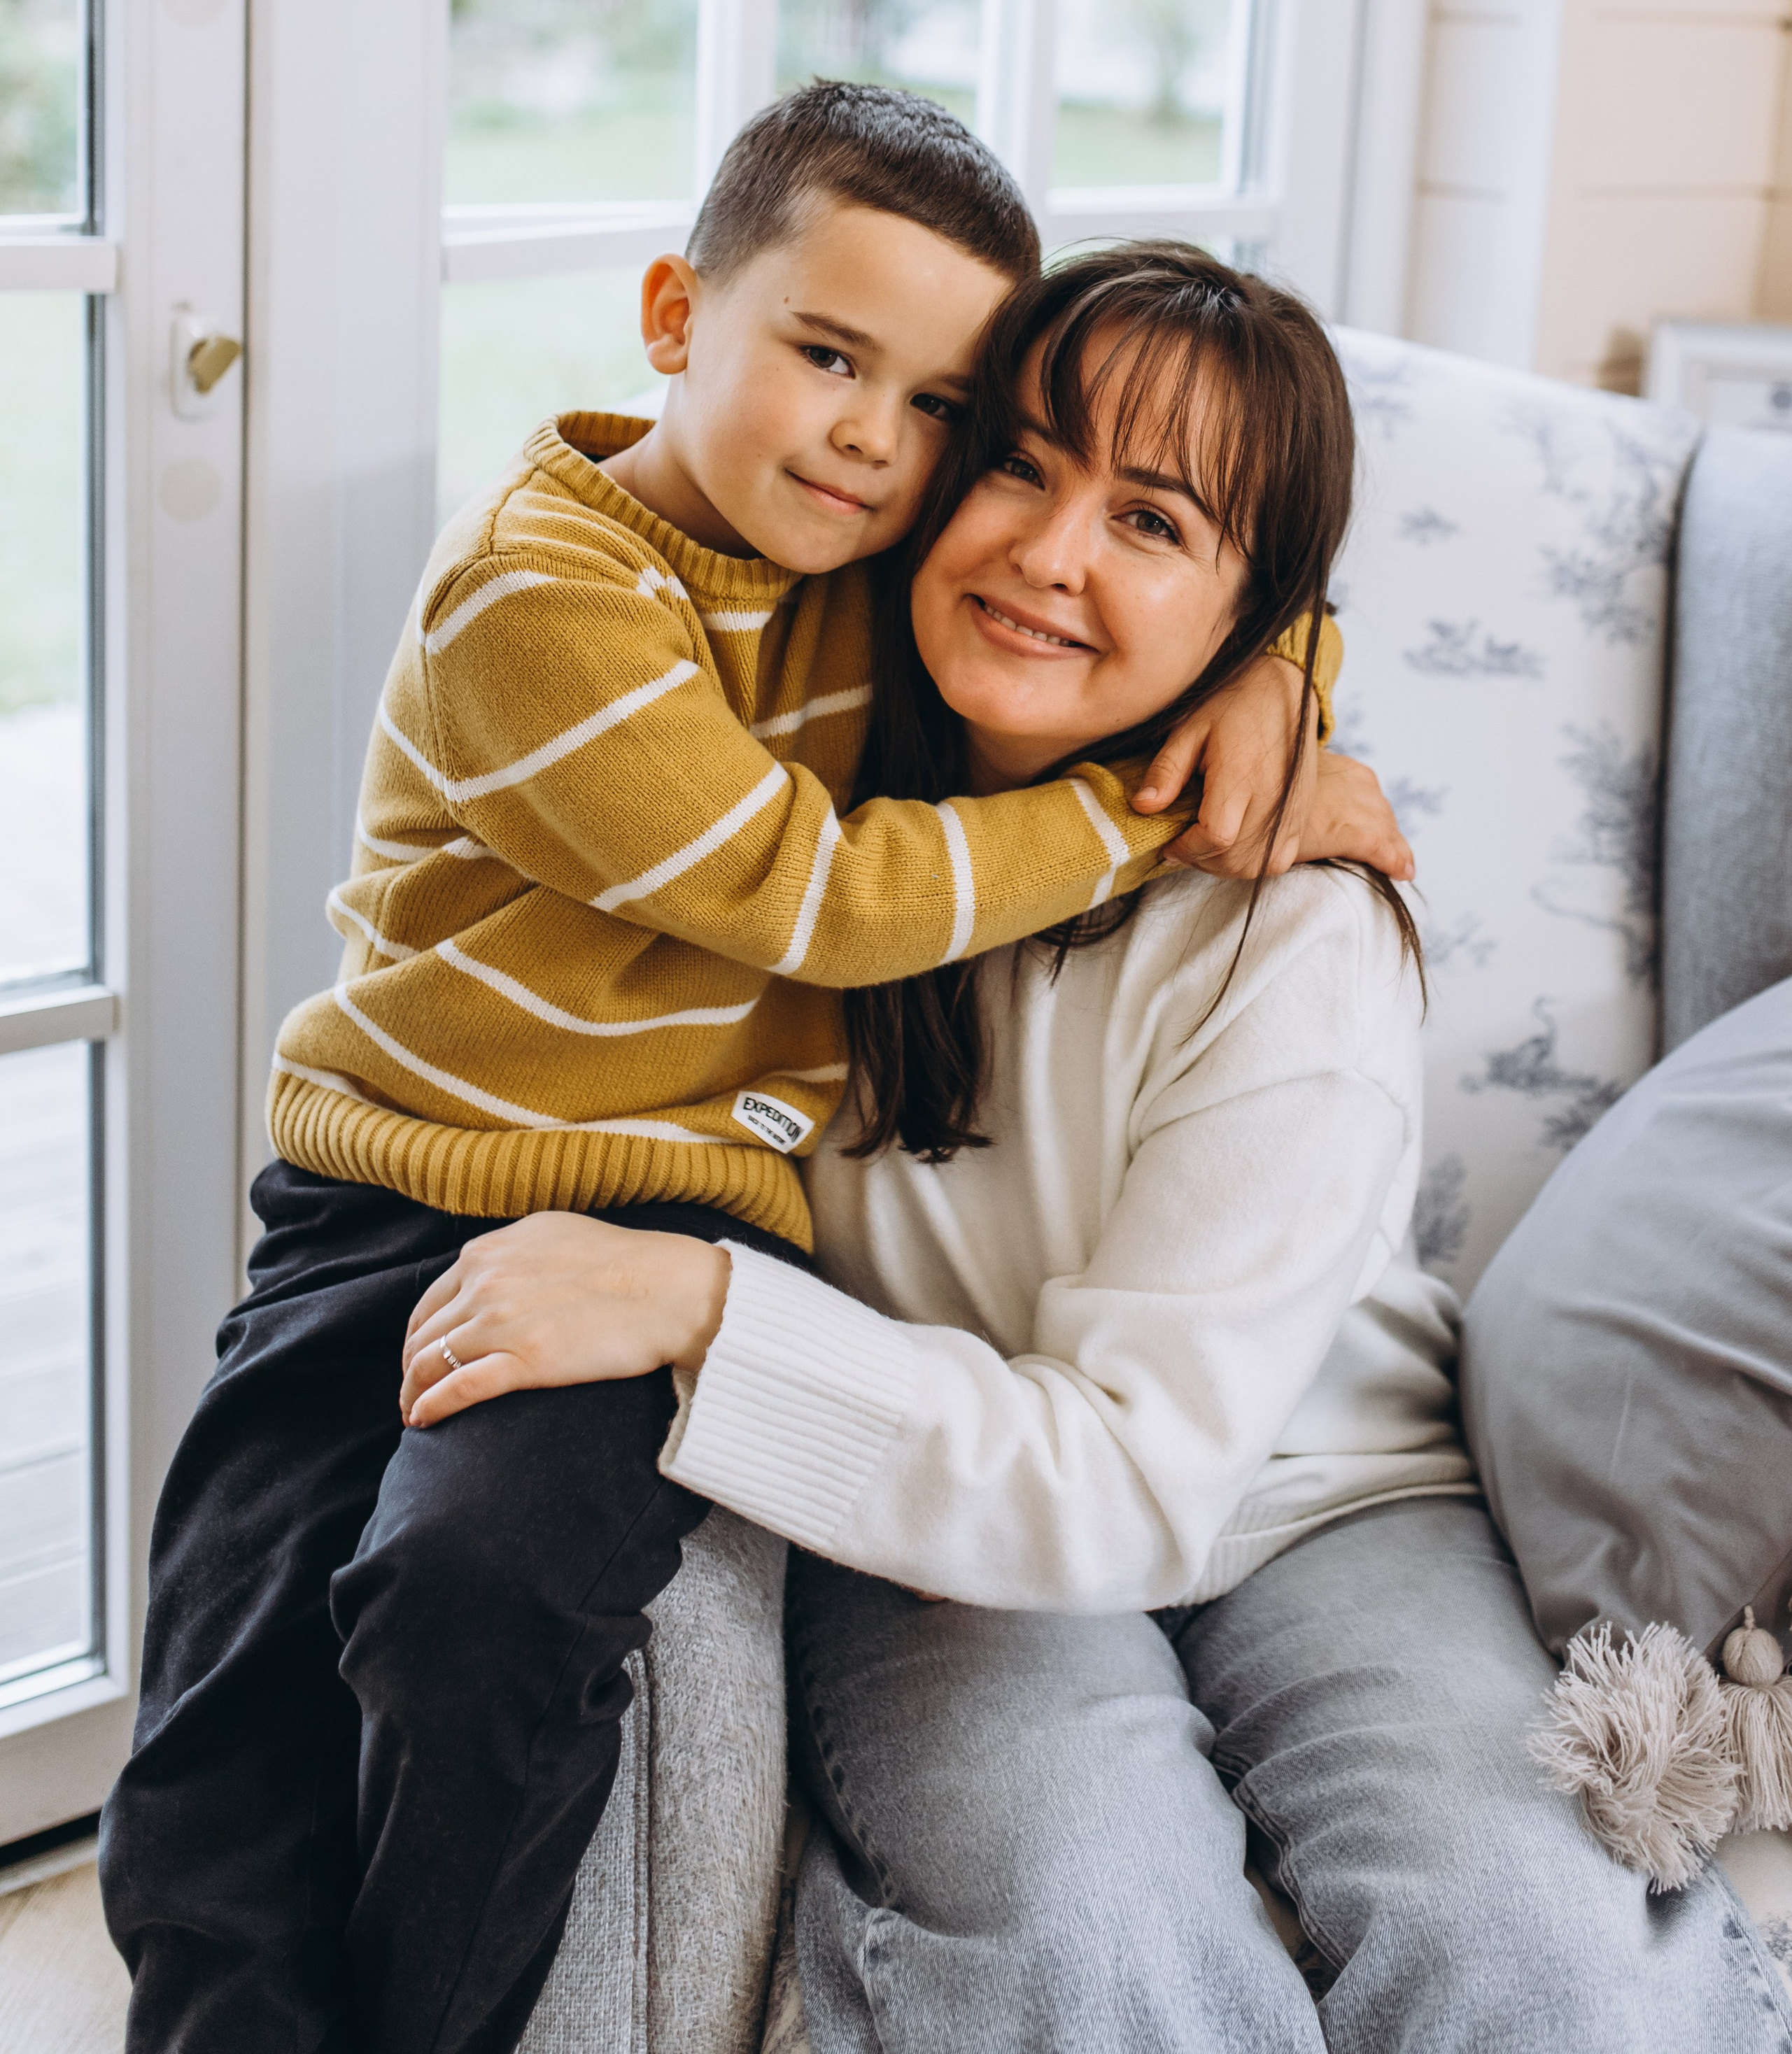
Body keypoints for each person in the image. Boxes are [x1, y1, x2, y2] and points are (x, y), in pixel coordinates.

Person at [100, 91, 1402, 2054]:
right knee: (225, 1689)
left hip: (672, 1203)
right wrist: (1152, 805)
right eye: (824, 356)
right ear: (669, 313)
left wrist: (1272, 675)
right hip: (387, 1188)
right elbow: (809, 893)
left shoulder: (871, 572)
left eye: (940, 409)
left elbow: (1151, 561)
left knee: (469, 1596)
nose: (878, 442)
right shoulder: (543, 602)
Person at [403, 246, 1787, 2053]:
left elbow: (1137, 1478)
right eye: (1016, 464)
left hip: (1317, 1493)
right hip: (937, 1529)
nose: (1051, 554)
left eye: (1149, 521)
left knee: (1542, 1953)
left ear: (1249, 614)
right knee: (1093, 1943)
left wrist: (706, 1309)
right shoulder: (773, 802)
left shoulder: (1288, 917)